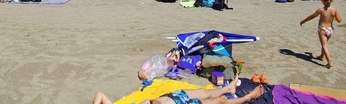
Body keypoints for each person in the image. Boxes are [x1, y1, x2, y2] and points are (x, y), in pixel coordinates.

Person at [92, 73, 264, 104]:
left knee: (206, 92)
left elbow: (99, 95)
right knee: (218, 102)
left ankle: (229, 88)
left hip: (170, 97)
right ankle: (246, 98)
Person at [300, 0, 342, 68]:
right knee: (324, 44)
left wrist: (304, 21)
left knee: (324, 45)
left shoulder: (321, 10)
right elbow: (339, 20)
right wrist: (334, 17)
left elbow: (312, 16)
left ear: (322, 0)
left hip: (322, 29)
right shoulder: (334, 10)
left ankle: (329, 62)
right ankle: (322, 56)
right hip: (330, 29)